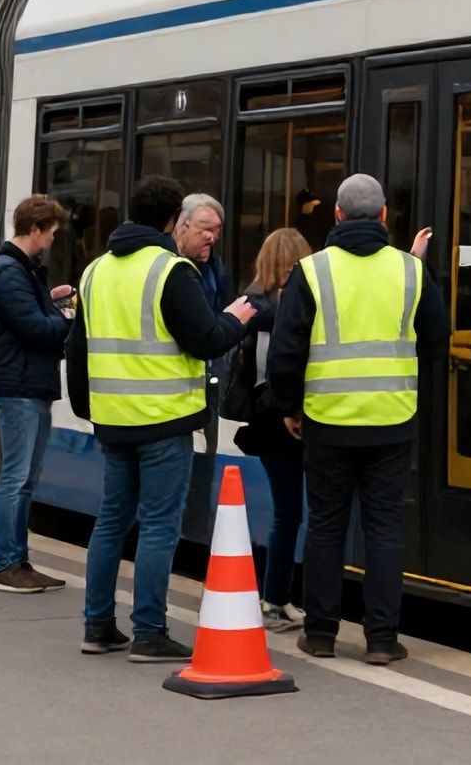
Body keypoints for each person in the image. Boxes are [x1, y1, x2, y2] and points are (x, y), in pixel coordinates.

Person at [67, 176, 254, 661]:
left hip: (112, 419)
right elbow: (208, 339)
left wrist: (87, 409)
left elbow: (77, 349)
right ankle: (149, 632)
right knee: (157, 527)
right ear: (174, 220)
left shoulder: (95, 271)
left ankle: (98, 627)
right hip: (164, 421)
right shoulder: (171, 271)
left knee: (110, 522)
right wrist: (237, 317)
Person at [269, 173, 444, 666]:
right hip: (392, 418)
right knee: (385, 529)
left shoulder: (312, 271)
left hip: (327, 421)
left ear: (338, 216)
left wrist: (291, 406)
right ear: (385, 216)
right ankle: (383, 639)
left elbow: (285, 352)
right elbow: (436, 339)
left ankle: (321, 633)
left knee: (325, 526)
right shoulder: (411, 271)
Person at [0, 195, 73, 594]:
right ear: (35, 229)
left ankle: (18, 561)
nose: (51, 241)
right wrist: (69, 317)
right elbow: (35, 330)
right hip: (19, 386)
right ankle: (6, 564)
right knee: (16, 478)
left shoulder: (21, 272)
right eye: (50, 233)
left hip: (30, 384)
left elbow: (33, 319)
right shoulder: (9, 273)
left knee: (25, 479)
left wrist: (51, 305)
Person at [231, 227, 313, 631]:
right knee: (293, 513)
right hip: (287, 416)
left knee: (287, 511)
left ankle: (278, 597)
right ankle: (276, 598)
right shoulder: (292, 306)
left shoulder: (250, 301)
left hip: (263, 418)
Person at [174, 192, 232, 538]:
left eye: (218, 230)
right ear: (182, 226)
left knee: (203, 464)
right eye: (205, 228)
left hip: (208, 380)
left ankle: (193, 533)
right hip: (174, 388)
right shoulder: (172, 269)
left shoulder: (215, 267)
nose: (211, 236)